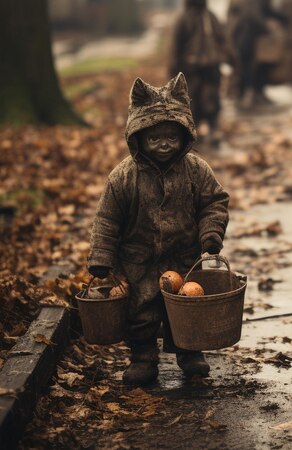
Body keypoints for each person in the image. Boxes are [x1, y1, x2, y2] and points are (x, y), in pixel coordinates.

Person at [87, 73, 229, 386]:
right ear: (138, 137)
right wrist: (102, 254)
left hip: (183, 255)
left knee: (184, 306)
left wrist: (211, 233)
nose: (163, 144)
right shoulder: (124, 177)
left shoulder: (195, 169)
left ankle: (189, 352)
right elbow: (107, 218)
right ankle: (143, 357)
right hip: (138, 260)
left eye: (171, 137)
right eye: (154, 138)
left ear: (184, 136)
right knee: (142, 311)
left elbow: (214, 202)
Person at [169, 0, 229, 146]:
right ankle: (202, 130)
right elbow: (176, 46)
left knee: (208, 100)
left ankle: (210, 129)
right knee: (196, 101)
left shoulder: (202, 17)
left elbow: (222, 40)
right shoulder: (195, 18)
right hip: (194, 69)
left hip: (205, 68)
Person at [232, 0, 287, 106]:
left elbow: (269, 11)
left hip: (249, 36)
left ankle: (254, 93)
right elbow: (255, 15)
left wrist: (283, 18)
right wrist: (266, 28)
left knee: (254, 65)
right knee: (248, 66)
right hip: (245, 36)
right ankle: (247, 94)